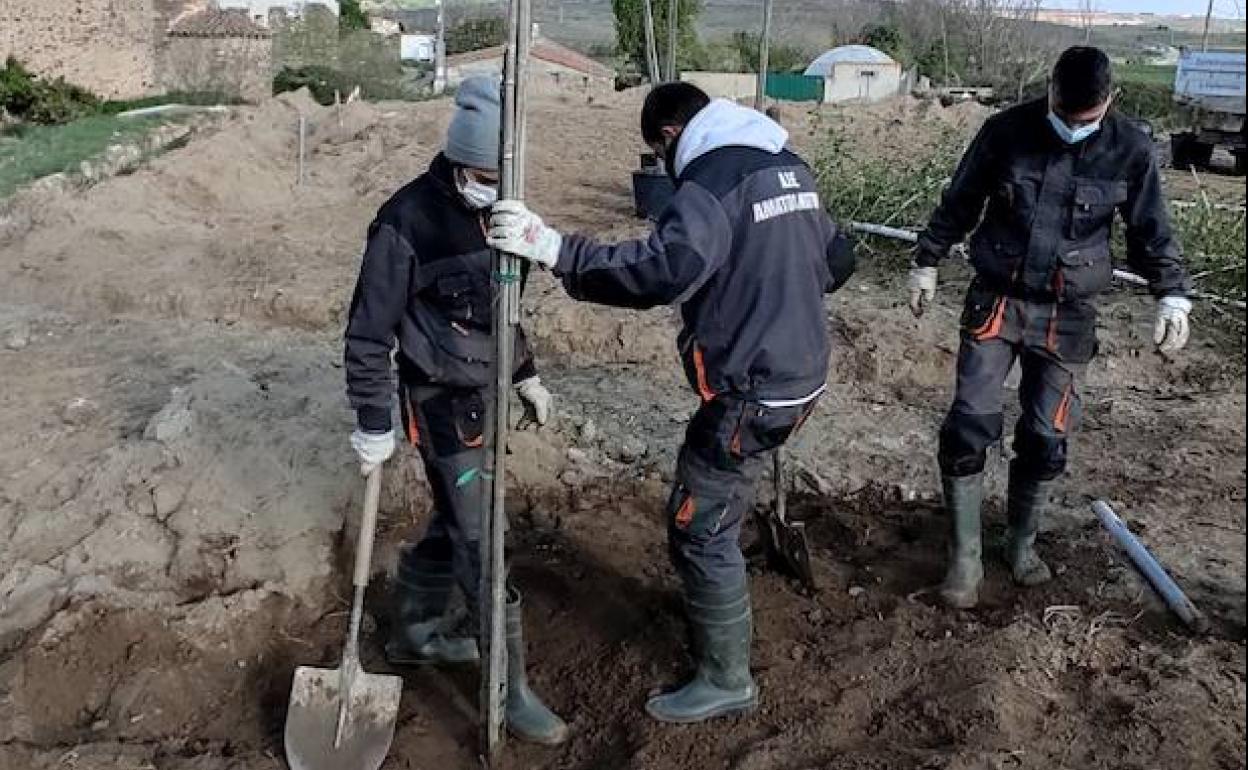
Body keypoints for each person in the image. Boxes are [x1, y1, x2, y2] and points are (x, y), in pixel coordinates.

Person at [486, 82, 855, 724]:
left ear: (666, 137)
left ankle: (726, 677)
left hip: (754, 390)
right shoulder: (787, 165)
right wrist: (768, 283)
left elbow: (663, 270)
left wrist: (554, 248)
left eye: (658, 157)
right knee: (723, 480)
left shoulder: (709, 183)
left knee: (697, 520)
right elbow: (838, 259)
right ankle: (723, 610)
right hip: (805, 373)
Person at [906, 47, 1192, 609]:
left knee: (1045, 433)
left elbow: (1150, 227)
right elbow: (961, 198)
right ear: (1051, 92)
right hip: (998, 299)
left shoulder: (1129, 147)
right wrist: (926, 259)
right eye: (1065, 112)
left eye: (1087, 119)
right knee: (969, 422)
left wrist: (1173, 295)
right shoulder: (1006, 131)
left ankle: (1020, 541)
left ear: (1109, 102)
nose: (1073, 126)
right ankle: (965, 558)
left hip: (1069, 313)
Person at [343, 76, 567, 745]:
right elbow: (366, 333)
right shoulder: (405, 223)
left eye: (503, 175)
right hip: (439, 400)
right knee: (483, 539)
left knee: (458, 513)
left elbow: (501, 308)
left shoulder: (505, 207)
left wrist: (524, 373)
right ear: (459, 163)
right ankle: (511, 691)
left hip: (486, 388)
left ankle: (413, 630)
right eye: (482, 175)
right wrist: (374, 421)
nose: (493, 185)